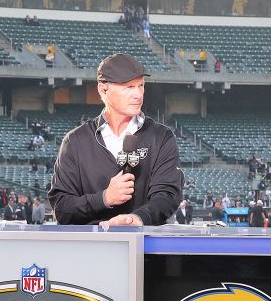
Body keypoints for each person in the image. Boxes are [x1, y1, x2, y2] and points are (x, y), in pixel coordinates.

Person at [49, 53, 182, 226]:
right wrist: (103, 199)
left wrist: (137, 218)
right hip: (92, 247)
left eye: (141, 86)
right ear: (103, 89)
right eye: (129, 87)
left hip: (144, 247)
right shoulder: (76, 141)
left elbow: (166, 196)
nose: (138, 94)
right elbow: (62, 208)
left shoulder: (161, 136)